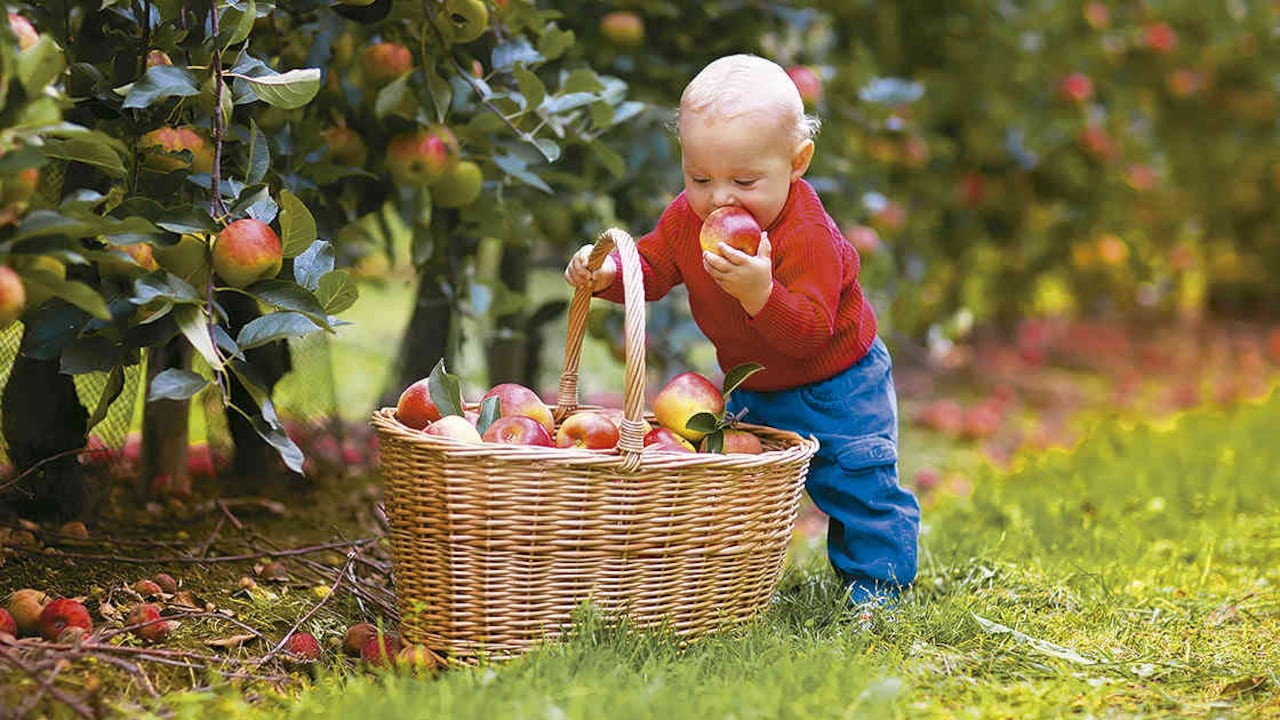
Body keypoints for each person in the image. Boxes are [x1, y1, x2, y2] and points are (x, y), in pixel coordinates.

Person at [564, 54, 920, 607]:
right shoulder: (689, 218)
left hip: (839, 383)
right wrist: (605, 274)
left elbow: (809, 333)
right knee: (744, 487)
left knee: (857, 482)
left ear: (797, 162)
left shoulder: (808, 236)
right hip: (754, 384)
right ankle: (740, 585)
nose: (720, 198)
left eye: (745, 180)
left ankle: (878, 589)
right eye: (699, 178)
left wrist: (760, 292)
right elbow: (655, 266)